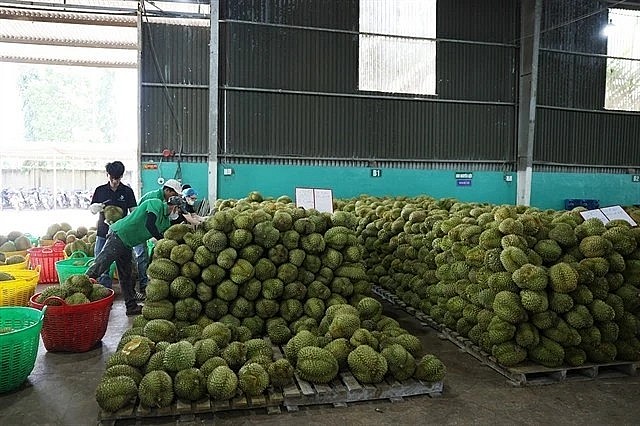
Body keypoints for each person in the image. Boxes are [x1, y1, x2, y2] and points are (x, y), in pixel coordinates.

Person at [86, 196, 184, 316]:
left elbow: (169, 233)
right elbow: (150, 224)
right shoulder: (155, 204)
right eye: (179, 210)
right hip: (119, 234)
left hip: (128, 243)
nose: (178, 213)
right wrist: (160, 240)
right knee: (102, 264)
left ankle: (131, 306)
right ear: (174, 207)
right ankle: (82, 284)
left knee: (127, 275)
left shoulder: (166, 222)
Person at [89, 161, 137, 290]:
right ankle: (105, 290)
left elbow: (134, 211)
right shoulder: (100, 190)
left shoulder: (127, 191)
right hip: (103, 231)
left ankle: (128, 291)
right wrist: (95, 207)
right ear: (107, 175)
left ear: (121, 176)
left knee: (126, 265)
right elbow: (92, 209)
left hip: (121, 234)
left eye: (118, 178)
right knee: (100, 262)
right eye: (112, 178)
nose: (115, 181)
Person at [132, 178, 184, 297]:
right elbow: (149, 222)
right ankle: (143, 285)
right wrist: (159, 237)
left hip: (146, 230)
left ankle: (145, 282)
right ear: (167, 190)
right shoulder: (154, 198)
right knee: (141, 256)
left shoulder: (164, 201)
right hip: (138, 228)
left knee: (145, 256)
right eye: (174, 193)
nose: (173, 196)